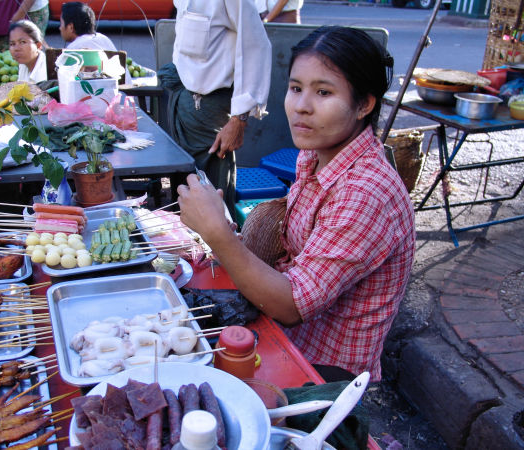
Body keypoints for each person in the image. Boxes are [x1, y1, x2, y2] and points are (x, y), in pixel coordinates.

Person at [176, 26, 416, 382]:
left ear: (364, 104)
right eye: (295, 88)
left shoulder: (366, 193)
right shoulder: (316, 154)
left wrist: (216, 234)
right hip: (283, 330)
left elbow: (291, 306)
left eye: (323, 92)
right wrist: (227, 232)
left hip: (321, 366)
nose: (302, 106)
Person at [158, 0, 272, 217]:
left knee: (212, 195)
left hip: (211, 108)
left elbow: (256, 46)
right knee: (185, 191)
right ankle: (189, 247)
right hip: (185, 100)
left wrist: (239, 119)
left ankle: (217, 249)